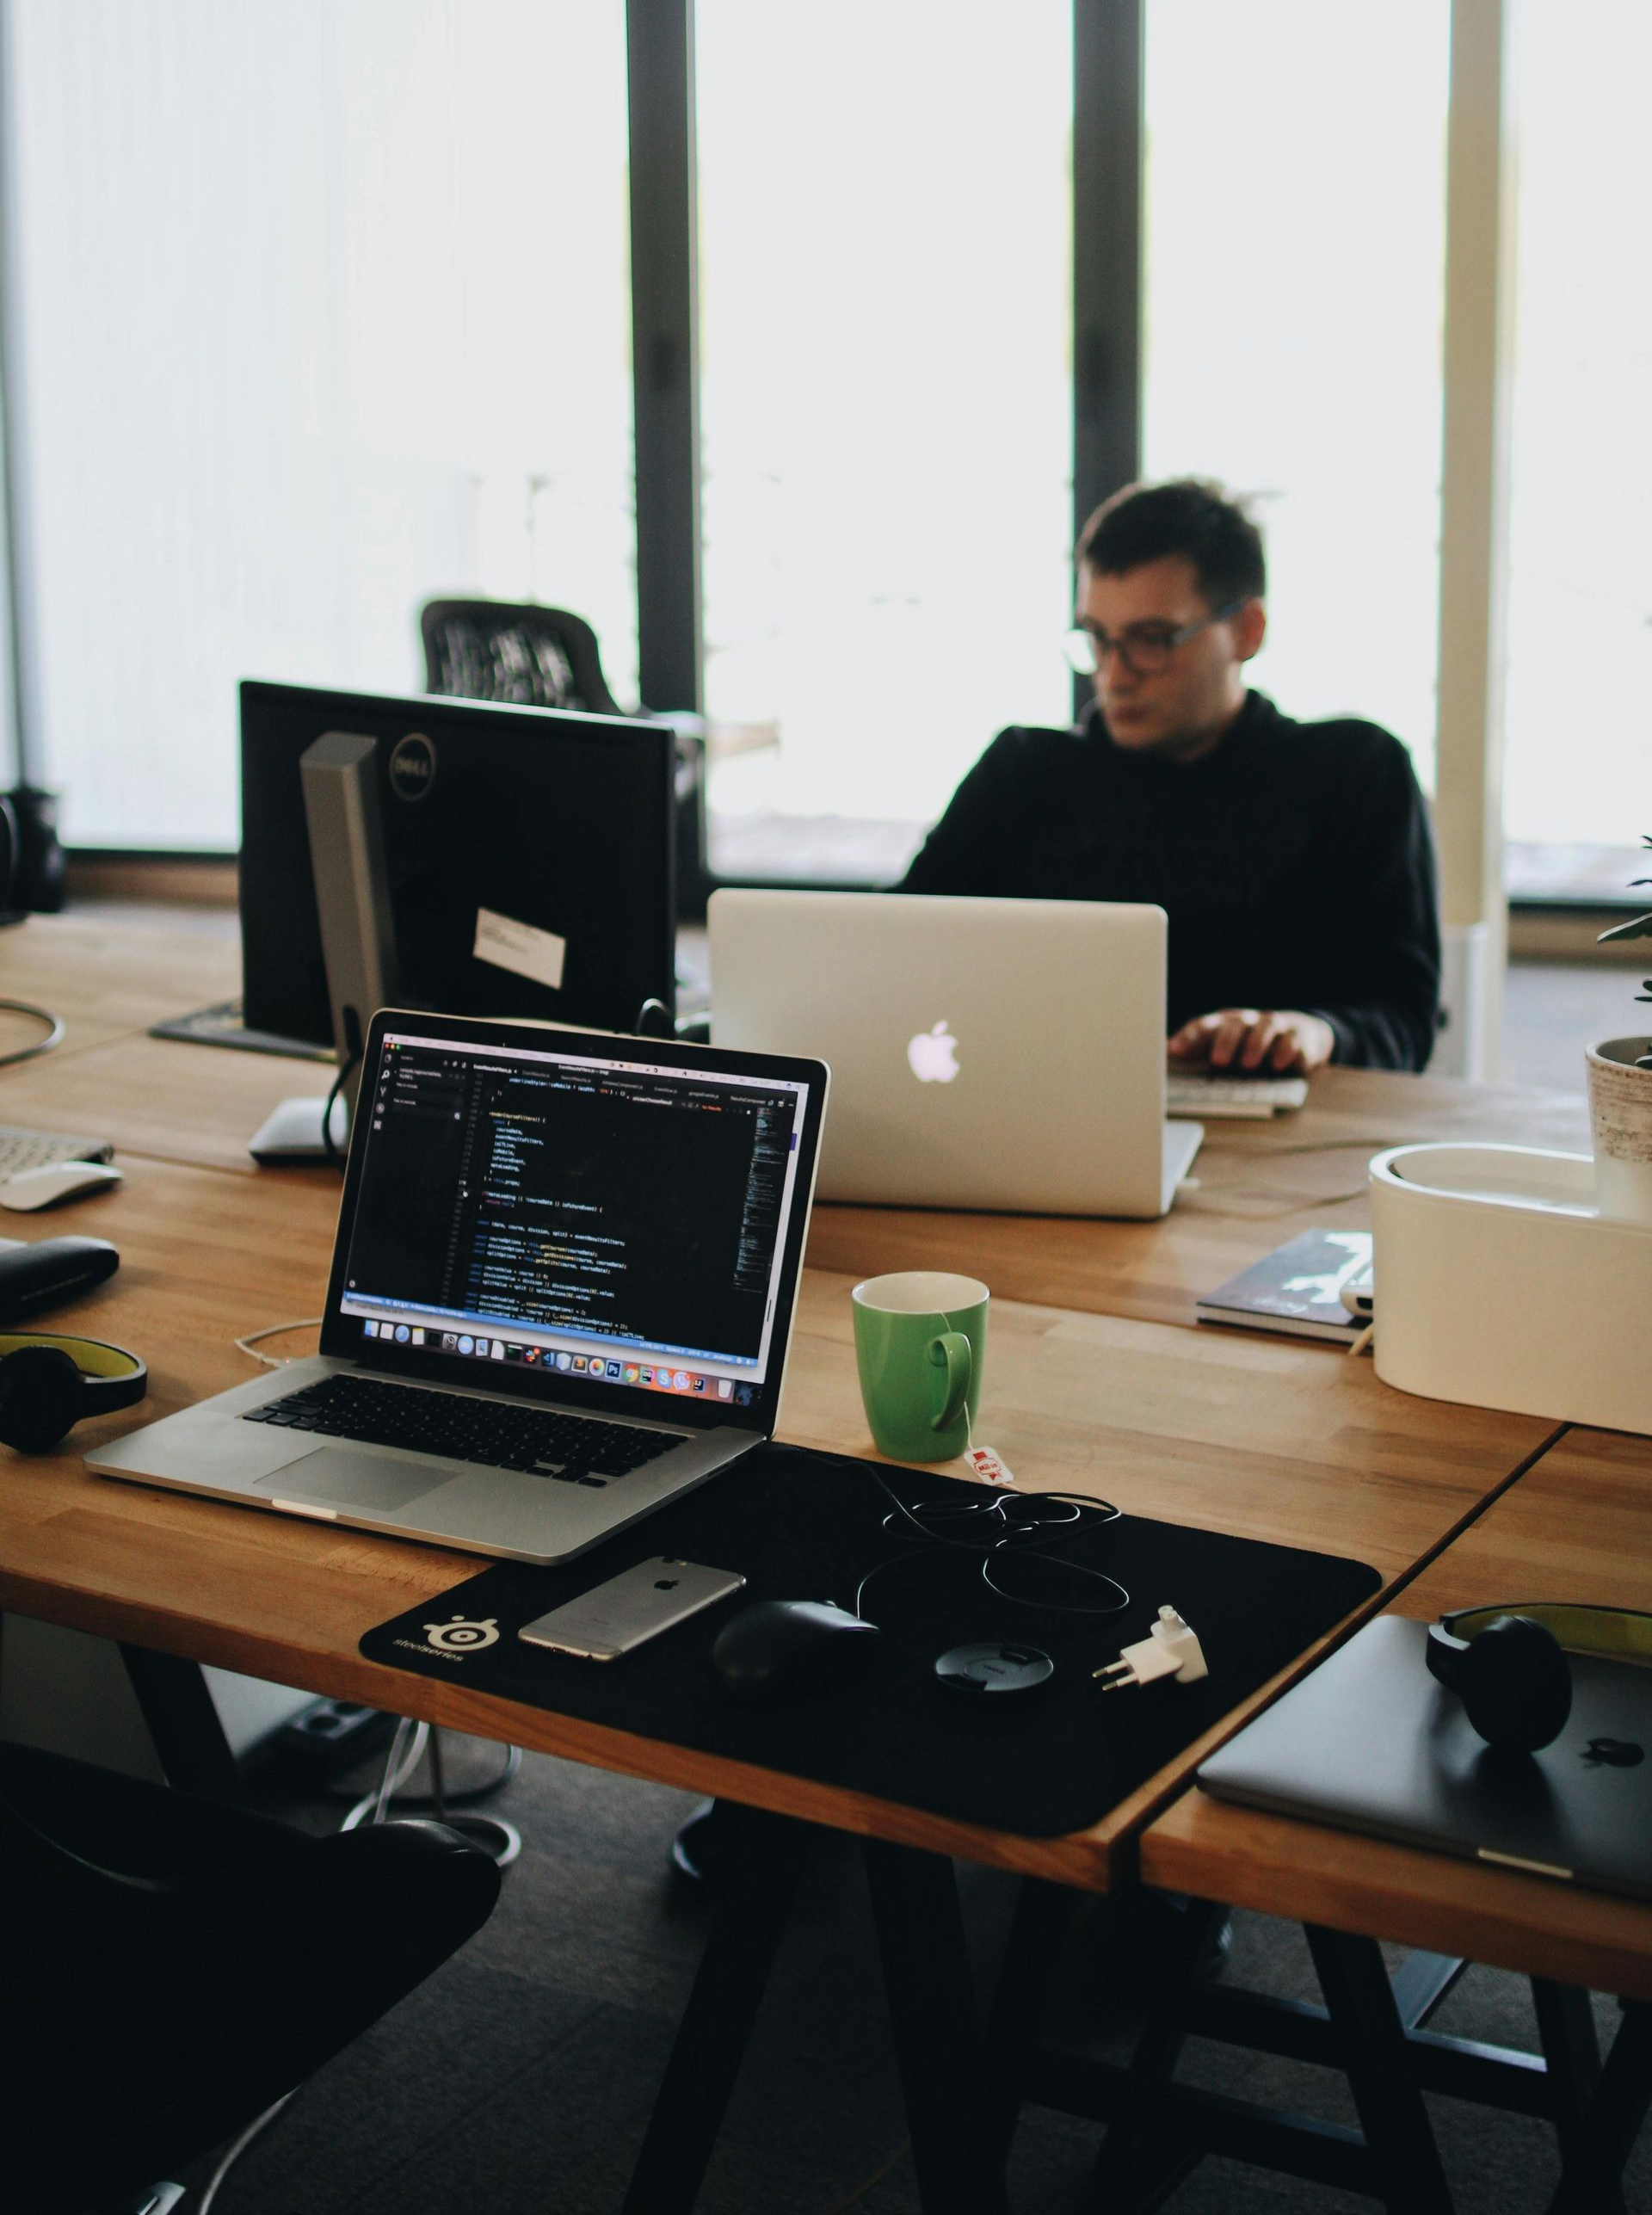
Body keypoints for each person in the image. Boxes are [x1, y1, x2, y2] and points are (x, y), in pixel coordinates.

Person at [897, 478, 1440, 1073]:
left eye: (1151, 640)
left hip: (1281, 1141)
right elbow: (894, 950)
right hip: (1043, 1119)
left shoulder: (1354, 773)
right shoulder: (1022, 774)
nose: (1114, 675)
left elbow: (1404, 1020)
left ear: (1247, 631)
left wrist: (1315, 1032)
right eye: (1099, 640)